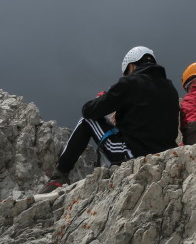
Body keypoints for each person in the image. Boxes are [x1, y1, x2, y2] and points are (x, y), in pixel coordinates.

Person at [39, 46, 180, 193]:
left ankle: (59, 176)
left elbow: (89, 111)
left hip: (134, 154)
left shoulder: (130, 82)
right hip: (165, 155)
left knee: (86, 121)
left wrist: (103, 98)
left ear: (131, 66)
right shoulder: (170, 89)